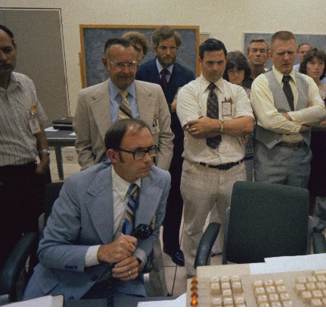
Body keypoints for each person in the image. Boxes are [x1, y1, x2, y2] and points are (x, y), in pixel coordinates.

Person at [23, 119, 171, 301]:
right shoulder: (78, 187)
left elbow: (152, 232)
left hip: (123, 283)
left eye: (151, 149)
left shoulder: (160, 181)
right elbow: (48, 251)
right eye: (139, 152)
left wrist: (138, 258)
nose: (149, 159)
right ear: (113, 156)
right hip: (67, 281)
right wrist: (101, 252)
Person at [74, 38, 172, 296]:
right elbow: (83, 145)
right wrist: (93, 178)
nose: (126, 70)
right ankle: (103, 288)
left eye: (132, 64)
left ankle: (153, 294)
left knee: (147, 239)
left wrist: (155, 174)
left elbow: (167, 138)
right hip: (104, 184)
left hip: (146, 181)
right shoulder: (88, 97)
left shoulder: (154, 92)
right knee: (106, 239)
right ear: (106, 64)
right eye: (119, 64)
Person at [176, 38, 254, 277]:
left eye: (220, 62)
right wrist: (231, 125)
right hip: (198, 171)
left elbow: (248, 124)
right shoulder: (187, 91)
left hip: (234, 171)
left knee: (231, 228)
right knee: (193, 228)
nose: (215, 68)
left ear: (226, 61)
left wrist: (215, 123)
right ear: (200, 61)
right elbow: (195, 129)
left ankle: (227, 273)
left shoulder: (236, 91)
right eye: (209, 62)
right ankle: (194, 274)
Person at [0, 21, 51, 273]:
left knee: (43, 238)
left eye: (7, 50)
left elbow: (37, 123)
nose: (3, 57)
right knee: (8, 249)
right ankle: (14, 295)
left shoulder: (25, 83)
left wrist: (44, 155)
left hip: (33, 172)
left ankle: (38, 290)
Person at [135, 26, 195, 268]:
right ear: (156, 48)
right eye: (163, 47)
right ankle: (144, 245)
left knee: (174, 197)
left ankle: (171, 244)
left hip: (177, 145)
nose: (168, 52)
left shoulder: (187, 75)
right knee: (143, 195)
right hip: (144, 144)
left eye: (172, 47)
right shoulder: (142, 72)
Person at [250, 31, 325, 189]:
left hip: (301, 159)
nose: (286, 58)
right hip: (269, 159)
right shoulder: (261, 82)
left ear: (297, 53)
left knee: (294, 210)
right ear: (270, 55)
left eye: (290, 53)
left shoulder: (307, 81)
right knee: (267, 209)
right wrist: (301, 126)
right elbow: (268, 121)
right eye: (280, 53)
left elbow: (320, 113)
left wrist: (287, 116)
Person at [299, 48, 326, 232]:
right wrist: (315, 118)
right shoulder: (297, 87)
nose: (316, 67)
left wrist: (303, 121)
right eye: (312, 63)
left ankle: (312, 226)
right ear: (305, 65)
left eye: (320, 63)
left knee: (316, 185)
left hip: (320, 145)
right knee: (299, 184)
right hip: (297, 142)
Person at [224, 51, 256, 181]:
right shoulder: (222, 93)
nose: (236, 75)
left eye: (240, 70)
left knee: (245, 190)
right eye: (232, 71)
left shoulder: (253, 93)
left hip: (247, 150)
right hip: (226, 148)